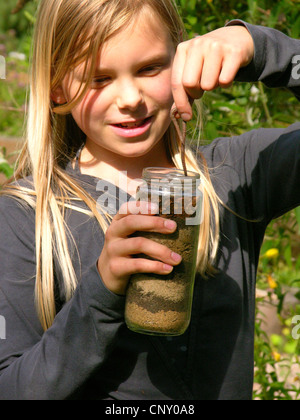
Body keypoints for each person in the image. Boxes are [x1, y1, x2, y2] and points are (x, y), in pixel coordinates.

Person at [0, 0, 299, 400]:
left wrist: (263, 51)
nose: (129, 98)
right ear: (57, 87)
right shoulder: (25, 216)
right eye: (98, 78)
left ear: (181, 59)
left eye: (149, 68)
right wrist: (101, 291)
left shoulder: (235, 174)